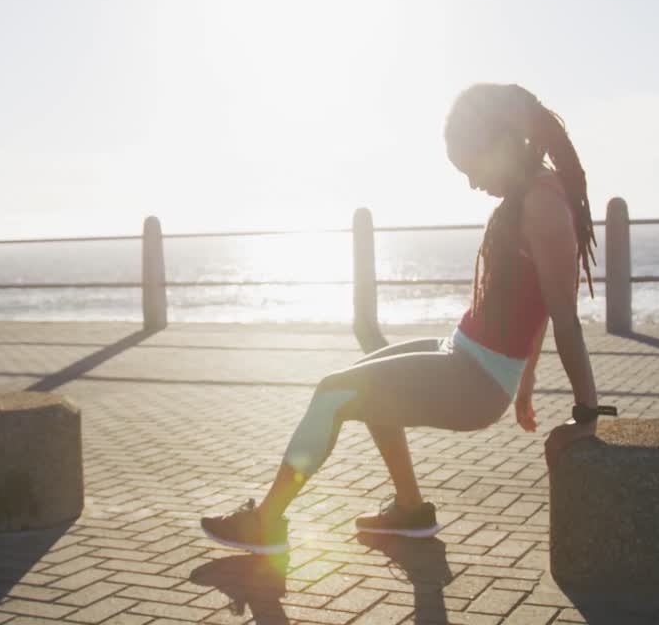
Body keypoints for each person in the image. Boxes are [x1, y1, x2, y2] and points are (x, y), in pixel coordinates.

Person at [201, 83, 606, 555]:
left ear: (498, 144)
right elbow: (532, 298)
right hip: (463, 352)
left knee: (332, 393)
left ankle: (266, 523)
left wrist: (586, 416)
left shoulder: (542, 205)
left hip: (476, 380)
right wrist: (527, 381)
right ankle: (411, 510)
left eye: (470, 167)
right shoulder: (528, 196)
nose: (472, 182)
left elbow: (564, 318)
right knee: (367, 384)